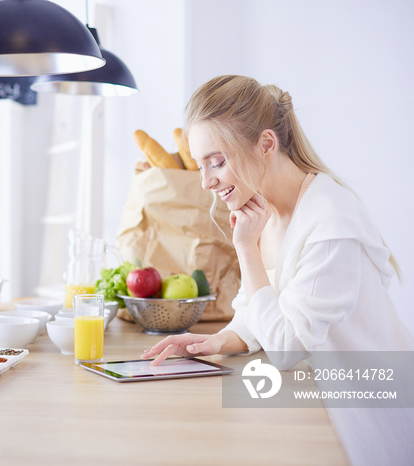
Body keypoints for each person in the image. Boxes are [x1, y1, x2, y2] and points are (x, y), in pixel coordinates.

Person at [139, 75, 414, 465]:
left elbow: (286, 347)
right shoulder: (265, 207)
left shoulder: (329, 224)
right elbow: (260, 308)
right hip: (328, 401)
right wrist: (217, 340)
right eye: (202, 166)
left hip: (376, 414)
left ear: (267, 144)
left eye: (217, 162)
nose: (206, 182)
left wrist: (246, 251)